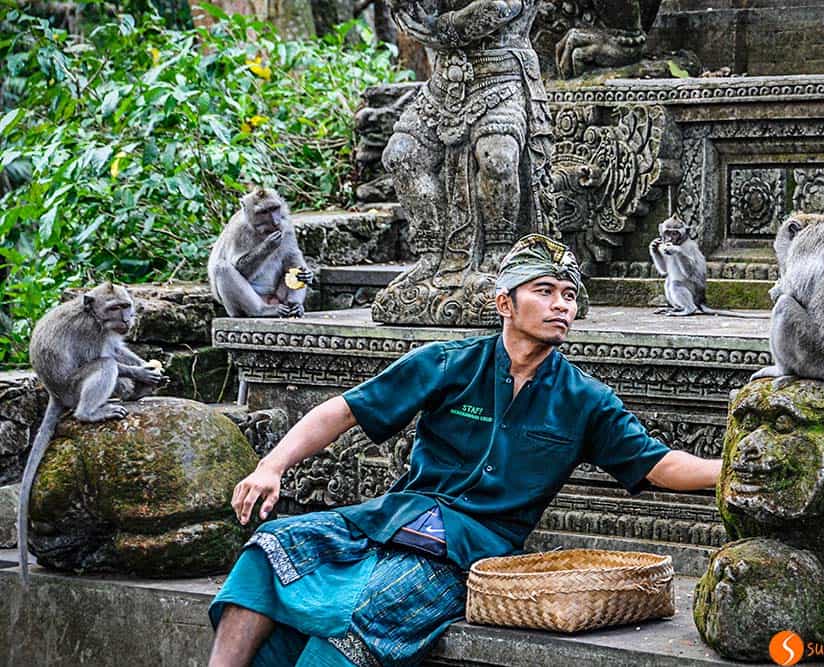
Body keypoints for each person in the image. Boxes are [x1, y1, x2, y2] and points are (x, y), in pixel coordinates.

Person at [208, 234, 722, 667]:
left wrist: (730, 470)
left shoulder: (585, 401)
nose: (561, 304)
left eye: (569, 294)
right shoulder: (448, 363)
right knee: (271, 549)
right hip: (390, 521)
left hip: (467, 553)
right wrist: (270, 466)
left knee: (368, 612)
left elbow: (660, 465)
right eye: (545, 291)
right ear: (505, 303)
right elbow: (344, 410)